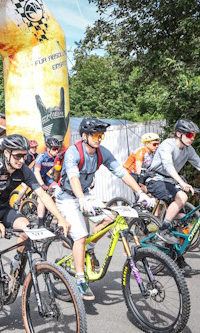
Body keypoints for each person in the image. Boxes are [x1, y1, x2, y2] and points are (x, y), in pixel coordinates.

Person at [0, 134, 71, 328]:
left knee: (26, 228)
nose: (21, 159)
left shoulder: (24, 170)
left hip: (4, 208)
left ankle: (17, 264)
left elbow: (42, 193)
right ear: (7, 153)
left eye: (24, 156)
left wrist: (61, 218)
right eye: (17, 156)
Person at [55, 118, 154, 300]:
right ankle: (80, 279)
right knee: (80, 236)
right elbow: (74, 178)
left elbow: (122, 173)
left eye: (101, 135)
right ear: (84, 136)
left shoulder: (102, 152)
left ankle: (90, 248)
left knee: (111, 217)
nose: (99, 139)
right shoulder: (73, 152)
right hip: (68, 197)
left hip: (85, 195)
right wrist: (81, 199)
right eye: (95, 135)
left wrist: (140, 193)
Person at [146, 119, 200, 271]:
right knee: (182, 197)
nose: (192, 138)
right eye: (190, 134)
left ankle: (177, 257)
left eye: (194, 135)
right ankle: (162, 230)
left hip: (171, 181)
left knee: (180, 221)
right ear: (179, 134)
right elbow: (168, 166)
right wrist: (182, 183)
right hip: (156, 179)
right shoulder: (167, 144)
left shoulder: (188, 149)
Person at [32, 137, 61, 227]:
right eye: (54, 149)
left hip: (45, 176)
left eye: (58, 149)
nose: (57, 151)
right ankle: (40, 223)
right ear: (48, 149)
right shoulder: (41, 156)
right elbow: (36, 172)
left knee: (58, 190)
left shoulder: (56, 158)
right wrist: (42, 185)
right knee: (42, 198)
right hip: (35, 177)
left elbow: (58, 172)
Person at [13, 139, 39, 208]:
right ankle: (17, 202)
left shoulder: (36, 155)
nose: (35, 149)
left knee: (36, 188)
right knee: (25, 187)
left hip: (29, 175)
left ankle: (33, 205)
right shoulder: (25, 156)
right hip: (20, 174)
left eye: (36, 147)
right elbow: (26, 168)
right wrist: (35, 161)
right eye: (33, 147)